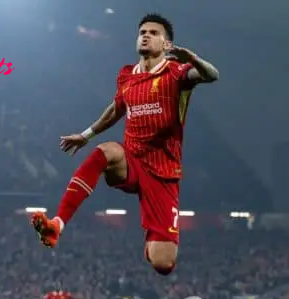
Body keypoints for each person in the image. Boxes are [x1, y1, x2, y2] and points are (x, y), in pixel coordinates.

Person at [31, 13, 219, 276]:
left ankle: (153, 240)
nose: (145, 35)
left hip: (163, 173)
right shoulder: (127, 76)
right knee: (105, 151)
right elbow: (116, 108)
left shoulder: (177, 74)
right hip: (131, 160)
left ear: (167, 44)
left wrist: (193, 59)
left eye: (154, 33)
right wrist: (86, 135)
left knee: (163, 263)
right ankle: (57, 225)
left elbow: (212, 75)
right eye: (142, 31)